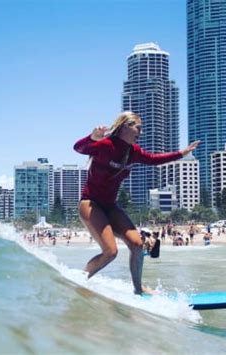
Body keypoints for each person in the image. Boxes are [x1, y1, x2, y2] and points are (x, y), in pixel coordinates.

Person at [74, 111, 200, 295]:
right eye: (137, 127)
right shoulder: (106, 145)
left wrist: (182, 153)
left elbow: (154, 160)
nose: (140, 132)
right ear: (124, 126)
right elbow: (79, 148)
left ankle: (138, 289)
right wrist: (92, 137)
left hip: (110, 206)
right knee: (110, 252)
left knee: (137, 244)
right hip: (91, 204)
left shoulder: (134, 152)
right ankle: (79, 280)